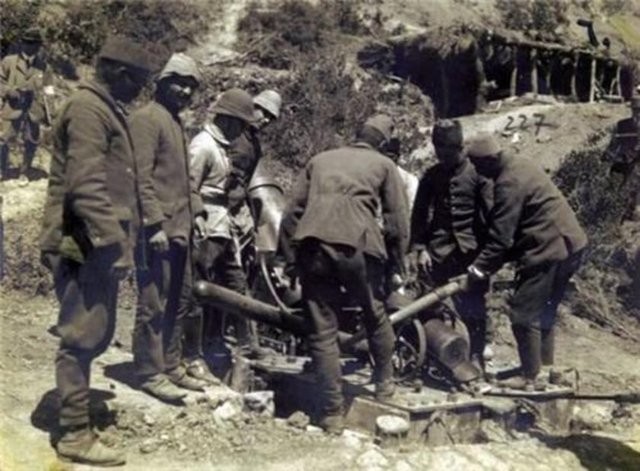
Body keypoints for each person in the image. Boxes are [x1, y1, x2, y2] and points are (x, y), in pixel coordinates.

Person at [39, 36, 151, 466]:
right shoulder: (88, 110)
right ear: (120, 74)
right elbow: (86, 188)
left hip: (90, 240)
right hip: (83, 241)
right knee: (81, 335)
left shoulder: (101, 108)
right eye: (138, 81)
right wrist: (114, 243)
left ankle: (74, 416)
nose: (140, 91)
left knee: (92, 331)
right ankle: (73, 435)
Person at [281, 114, 409, 434]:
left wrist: (289, 259)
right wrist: (397, 265)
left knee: (322, 331)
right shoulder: (384, 165)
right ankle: (384, 385)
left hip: (313, 247)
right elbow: (397, 222)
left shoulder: (320, 159)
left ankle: (331, 414)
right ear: (382, 142)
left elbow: (292, 211)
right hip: (360, 249)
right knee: (375, 315)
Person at [465, 134, 588, 390]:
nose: (478, 172)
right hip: (570, 244)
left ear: (490, 160)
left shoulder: (509, 181)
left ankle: (530, 376)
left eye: (478, 166)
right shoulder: (522, 163)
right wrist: (490, 263)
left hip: (548, 248)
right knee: (544, 312)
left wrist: (478, 269)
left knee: (523, 312)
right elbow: (511, 238)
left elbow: (501, 236)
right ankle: (543, 371)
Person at [130, 52, 214, 403]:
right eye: (178, 83)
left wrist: (197, 212)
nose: (184, 91)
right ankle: (149, 372)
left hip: (182, 228)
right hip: (159, 231)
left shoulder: (176, 122)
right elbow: (139, 178)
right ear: (162, 83)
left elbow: (184, 182)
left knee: (180, 301)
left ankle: (171, 364)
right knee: (154, 302)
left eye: (190, 87)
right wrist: (154, 224)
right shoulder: (147, 119)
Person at [179, 88, 257, 379]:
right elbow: (189, 184)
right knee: (198, 290)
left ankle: (245, 346)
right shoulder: (203, 145)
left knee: (236, 286)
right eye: (240, 124)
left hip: (223, 226)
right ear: (228, 120)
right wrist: (197, 215)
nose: (242, 131)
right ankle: (191, 355)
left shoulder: (222, 146)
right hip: (207, 226)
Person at [410, 120, 494, 374]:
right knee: (430, 305)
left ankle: (475, 356)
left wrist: (487, 256)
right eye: (440, 152)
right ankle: (434, 356)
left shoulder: (478, 176)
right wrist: (420, 247)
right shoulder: (432, 176)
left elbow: (490, 216)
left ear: (460, 148)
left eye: (450, 152)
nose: (444, 158)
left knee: (474, 308)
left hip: (470, 255)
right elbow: (420, 214)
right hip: (437, 252)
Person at [0, 27, 49, 183]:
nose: (30, 46)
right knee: (4, 138)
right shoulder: (9, 61)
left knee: (31, 140)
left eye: (34, 43)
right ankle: (2, 170)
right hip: (13, 106)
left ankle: (24, 172)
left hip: (33, 108)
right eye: (27, 42)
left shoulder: (43, 66)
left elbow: (49, 90)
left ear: (39, 46)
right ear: (22, 43)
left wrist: (48, 111)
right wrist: (9, 91)